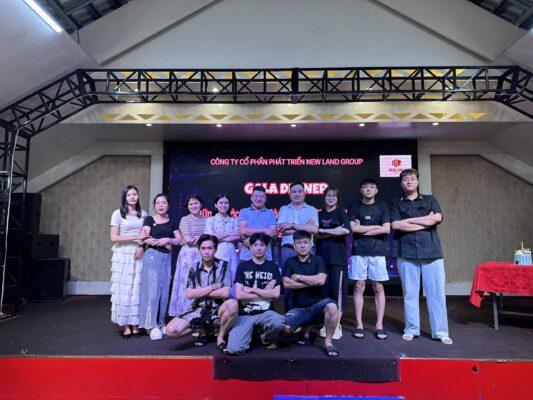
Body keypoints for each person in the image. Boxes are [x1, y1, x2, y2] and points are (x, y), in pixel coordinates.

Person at [390, 168, 452, 345]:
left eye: (412, 178)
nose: (409, 181)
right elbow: (396, 225)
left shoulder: (430, 200)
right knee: (410, 293)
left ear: (417, 181)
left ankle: (440, 332)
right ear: (401, 183)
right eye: (405, 179)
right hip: (406, 252)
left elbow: (437, 218)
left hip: (431, 252)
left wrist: (409, 221)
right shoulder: (396, 203)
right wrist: (425, 222)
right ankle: (411, 329)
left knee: (436, 294)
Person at [165, 235, 238, 351]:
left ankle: (220, 337)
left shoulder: (224, 265)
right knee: (170, 331)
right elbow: (190, 294)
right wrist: (213, 287)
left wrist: (200, 291)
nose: (206, 252)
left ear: (215, 249)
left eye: (210, 248)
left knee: (233, 304)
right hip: (198, 309)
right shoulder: (194, 268)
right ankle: (201, 328)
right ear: (199, 250)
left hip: (218, 309)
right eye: (203, 248)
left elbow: (225, 293)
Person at [283, 230, 340, 357]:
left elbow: (321, 281)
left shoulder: (318, 260)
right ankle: (305, 328)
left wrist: (298, 277)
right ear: (294, 245)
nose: (302, 246)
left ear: (311, 244)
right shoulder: (290, 262)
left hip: (317, 306)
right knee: (286, 329)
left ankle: (328, 342)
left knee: (332, 306)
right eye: (299, 243)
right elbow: (287, 283)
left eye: (305, 242)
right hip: (299, 309)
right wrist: (311, 282)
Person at [226, 233, 285, 355]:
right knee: (234, 349)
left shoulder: (273, 267)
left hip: (266, 312)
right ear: (251, 247)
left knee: (279, 321)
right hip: (245, 314)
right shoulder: (243, 266)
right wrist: (266, 291)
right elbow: (239, 295)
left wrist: (252, 290)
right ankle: (251, 332)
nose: (258, 248)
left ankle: (265, 337)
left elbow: (276, 294)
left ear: (266, 247)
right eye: (255, 245)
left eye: (262, 245)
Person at [348, 179, 391, 340]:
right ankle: (359, 324)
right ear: (361, 189)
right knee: (359, 286)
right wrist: (376, 227)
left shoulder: (383, 207)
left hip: (378, 251)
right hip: (359, 251)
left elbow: (386, 229)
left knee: (378, 286)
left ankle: (379, 325)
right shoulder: (354, 206)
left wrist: (362, 229)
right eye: (365, 187)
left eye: (372, 187)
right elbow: (353, 229)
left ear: (376, 190)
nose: (368, 189)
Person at [138, 193, 182, 340]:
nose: (161, 205)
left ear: (168, 205)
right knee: (152, 292)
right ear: (154, 205)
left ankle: (161, 322)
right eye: (158, 203)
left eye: (163, 203)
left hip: (166, 259)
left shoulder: (172, 221)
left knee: (163, 291)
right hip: (152, 256)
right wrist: (161, 243)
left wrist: (168, 239)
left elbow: (179, 240)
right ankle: (152, 324)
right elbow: (144, 237)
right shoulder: (149, 219)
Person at [110, 185, 148, 338]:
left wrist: (142, 246)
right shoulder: (117, 213)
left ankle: (136, 324)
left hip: (139, 253)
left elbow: (146, 236)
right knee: (124, 289)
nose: (132, 197)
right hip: (123, 254)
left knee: (137, 289)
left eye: (135, 194)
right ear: (125, 197)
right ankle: (126, 325)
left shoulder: (143, 213)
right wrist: (136, 238)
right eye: (129, 195)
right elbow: (113, 237)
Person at [277, 182, 319, 311]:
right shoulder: (284, 209)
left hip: (308, 250)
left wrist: (292, 225)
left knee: (308, 283)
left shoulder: (311, 209)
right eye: (294, 191)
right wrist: (305, 226)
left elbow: (313, 229)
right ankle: (289, 317)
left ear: (304, 193)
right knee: (288, 284)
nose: (297, 194)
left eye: (300, 191)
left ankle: (308, 317)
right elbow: (282, 229)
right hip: (288, 250)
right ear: (289, 194)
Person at [315, 186, 350, 340]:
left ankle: (336, 326)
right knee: (324, 294)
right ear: (324, 197)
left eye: (333, 196)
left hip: (338, 260)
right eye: (328, 195)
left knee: (338, 293)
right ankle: (326, 324)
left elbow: (345, 231)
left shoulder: (341, 214)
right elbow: (315, 233)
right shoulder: (319, 214)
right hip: (321, 260)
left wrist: (324, 230)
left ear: (337, 199)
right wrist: (333, 231)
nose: (330, 198)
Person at [169, 194, 207, 317]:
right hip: (188, 254)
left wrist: (200, 238)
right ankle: (183, 312)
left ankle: (198, 313)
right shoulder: (185, 220)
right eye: (191, 204)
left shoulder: (207, 220)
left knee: (201, 282)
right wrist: (203, 238)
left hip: (203, 253)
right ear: (187, 206)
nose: (194, 206)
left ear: (201, 204)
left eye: (196, 203)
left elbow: (210, 239)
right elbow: (189, 239)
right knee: (186, 281)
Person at [205, 194, 240, 298]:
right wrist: (229, 234)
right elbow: (212, 237)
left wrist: (220, 237)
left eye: (226, 203)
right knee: (217, 278)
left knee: (233, 277)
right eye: (221, 203)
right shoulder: (210, 220)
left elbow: (238, 235)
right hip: (217, 252)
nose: (223, 205)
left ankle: (232, 303)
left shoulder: (234, 220)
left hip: (231, 253)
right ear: (216, 205)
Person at [238, 185, 277, 262]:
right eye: (256, 196)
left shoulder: (271, 213)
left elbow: (272, 233)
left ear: (266, 199)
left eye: (262, 197)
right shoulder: (243, 211)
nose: (259, 199)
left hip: (266, 257)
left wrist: (251, 239)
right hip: (246, 255)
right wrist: (265, 230)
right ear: (251, 198)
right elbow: (243, 231)